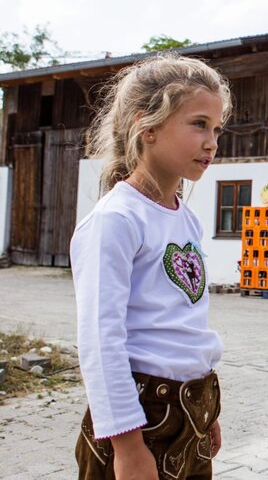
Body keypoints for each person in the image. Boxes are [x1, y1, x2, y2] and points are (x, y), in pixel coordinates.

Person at [70, 54, 231, 479]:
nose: (212, 141)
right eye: (198, 124)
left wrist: (202, 411)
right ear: (149, 126)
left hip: (189, 413)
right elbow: (100, 343)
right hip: (141, 421)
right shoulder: (117, 220)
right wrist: (127, 447)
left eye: (216, 129)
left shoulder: (186, 218)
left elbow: (183, 321)